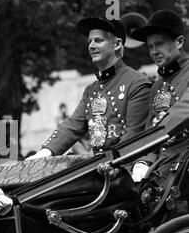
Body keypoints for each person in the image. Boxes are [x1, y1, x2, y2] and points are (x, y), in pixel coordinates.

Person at [26, 17, 152, 160]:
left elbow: (134, 135)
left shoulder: (137, 83)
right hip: (99, 169)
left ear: (117, 44)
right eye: (89, 41)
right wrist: (44, 152)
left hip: (127, 167)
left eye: (98, 40)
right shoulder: (91, 90)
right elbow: (72, 126)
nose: (91, 46)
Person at [129, 10, 189, 182]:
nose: (154, 51)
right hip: (164, 172)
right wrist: (142, 161)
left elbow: (182, 111)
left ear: (179, 42)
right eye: (150, 46)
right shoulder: (157, 85)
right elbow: (150, 127)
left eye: (159, 44)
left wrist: (153, 138)